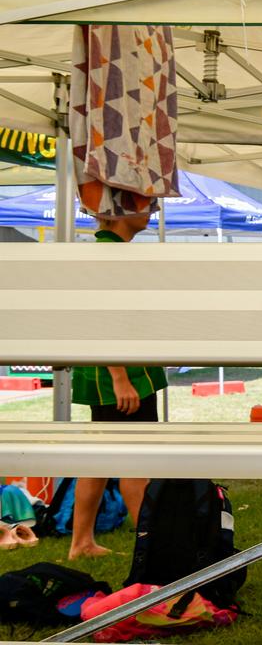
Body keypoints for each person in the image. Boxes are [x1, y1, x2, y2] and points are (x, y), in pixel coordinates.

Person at [67, 211, 164, 559]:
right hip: (120, 377)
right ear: (120, 212)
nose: (151, 210)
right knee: (136, 463)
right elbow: (102, 318)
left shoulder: (111, 249)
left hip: (115, 374)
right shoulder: (111, 253)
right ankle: (150, 550)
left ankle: (81, 542)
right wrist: (120, 377)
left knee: (100, 459)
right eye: (143, 203)